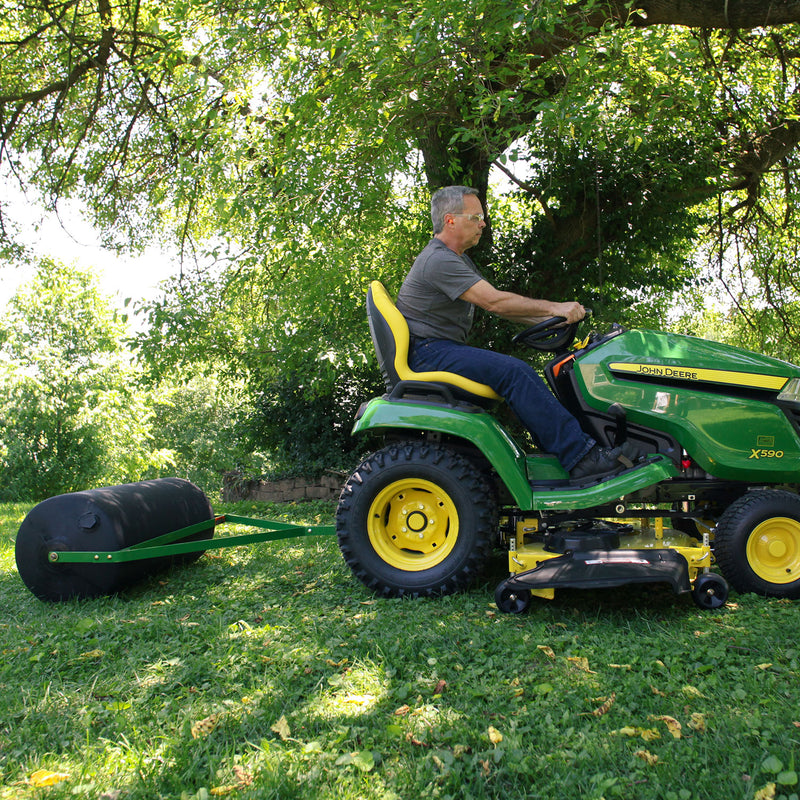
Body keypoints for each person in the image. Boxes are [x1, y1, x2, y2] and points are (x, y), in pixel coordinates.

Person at [396, 185, 634, 481]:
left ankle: (583, 450)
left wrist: (551, 317)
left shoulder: (455, 259)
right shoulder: (439, 260)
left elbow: (502, 306)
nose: (483, 223)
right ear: (450, 220)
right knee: (515, 373)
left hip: (435, 349)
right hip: (428, 352)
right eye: (476, 216)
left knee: (522, 371)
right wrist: (556, 307)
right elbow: (494, 301)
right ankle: (581, 457)